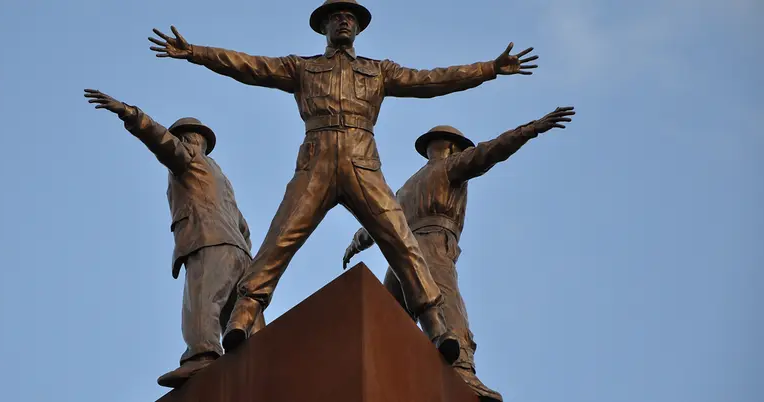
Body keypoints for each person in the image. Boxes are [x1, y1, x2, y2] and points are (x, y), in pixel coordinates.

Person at [147, 0, 539, 362]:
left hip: (362, 162)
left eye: (350, 17)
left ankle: (437, 326)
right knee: (279, 241)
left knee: (402, 243)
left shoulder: (378, 71)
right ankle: (242, 317)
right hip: (316, 162)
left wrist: (489, 69)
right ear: (325, 26)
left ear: (358, 28)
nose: (344, 21)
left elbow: (432, 80)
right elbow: (249, 66)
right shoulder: (303, 68)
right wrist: (195, 52)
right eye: (337, 17)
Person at [342, 106, 576, 401]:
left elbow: (493, 150)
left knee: (417, 307)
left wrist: (530, 129)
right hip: (417, 246)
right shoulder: (428, 176)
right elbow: (385, 214)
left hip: (417, 246)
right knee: (414, 309)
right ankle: (428, 373)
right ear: (447, 146)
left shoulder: (432, 176)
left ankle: (442, 372)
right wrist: (359, 239)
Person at [83, 89, 266, 388]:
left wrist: (130, 114)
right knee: (244, 315)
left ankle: (201, 356)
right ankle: (266, 362)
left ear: (190, 140)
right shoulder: (221, 178)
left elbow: (161, 142)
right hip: (240, 254)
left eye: (183, 138)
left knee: (202, 302)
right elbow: (244, 226)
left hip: (210, 242)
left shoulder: (190, 160)